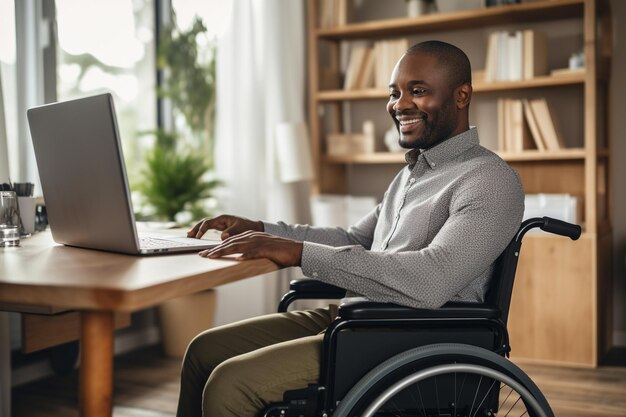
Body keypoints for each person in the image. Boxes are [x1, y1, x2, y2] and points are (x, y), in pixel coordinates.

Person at [176, 40, 524, 417]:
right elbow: (354, 240)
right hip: (356, 319)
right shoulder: (412, 175)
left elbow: (431, 279)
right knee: (202, 352)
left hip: (409, 335)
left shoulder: (489, 180)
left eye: (418, 91)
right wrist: (262, 231)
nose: (400, 104)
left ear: (462, 95)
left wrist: (299, 253)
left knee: (231, 383)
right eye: (395, 93)